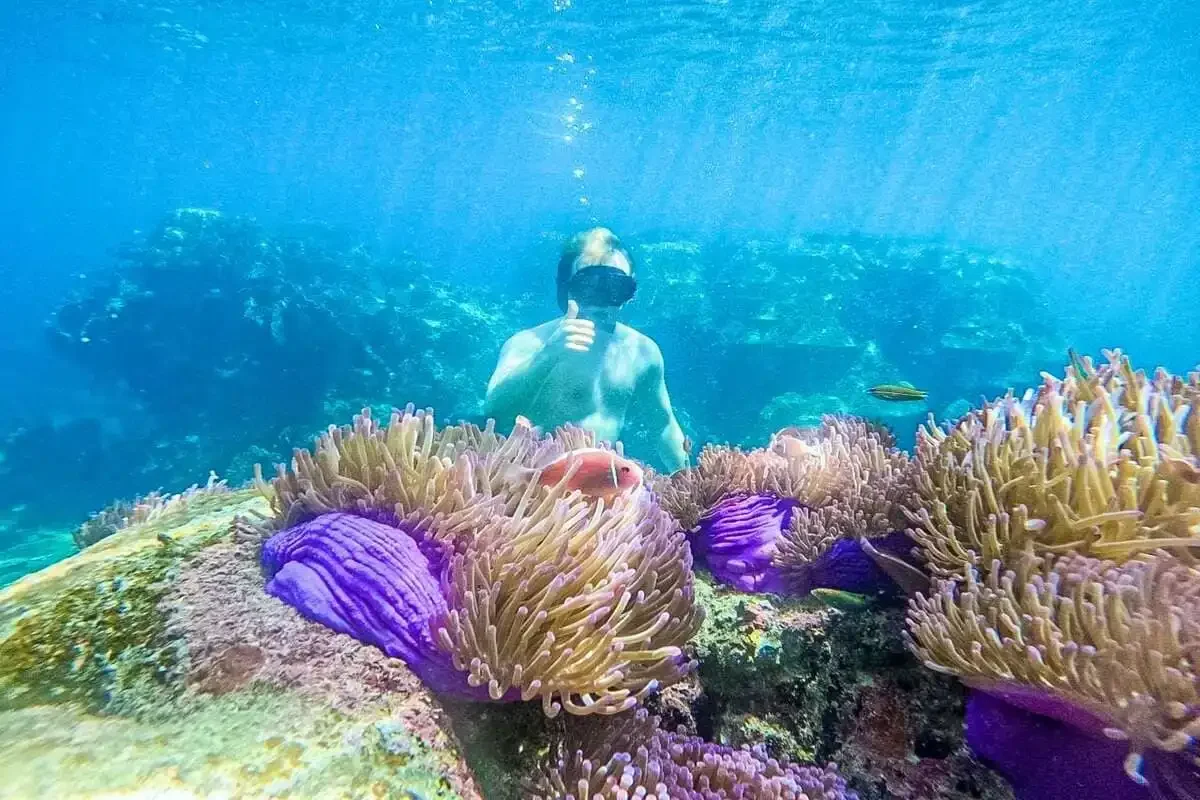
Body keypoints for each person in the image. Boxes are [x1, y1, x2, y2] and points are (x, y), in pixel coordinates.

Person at [484, 227, 689, 472]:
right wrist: (549, 355)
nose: (601, 300)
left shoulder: (643, 351)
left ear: (630, 292)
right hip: (522, 482)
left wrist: (688, 482)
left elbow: (662, 425)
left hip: (600, 490)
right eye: (589, 285)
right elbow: (493, 408)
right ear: (567, 287)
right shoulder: (529, 343)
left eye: (616, 287)